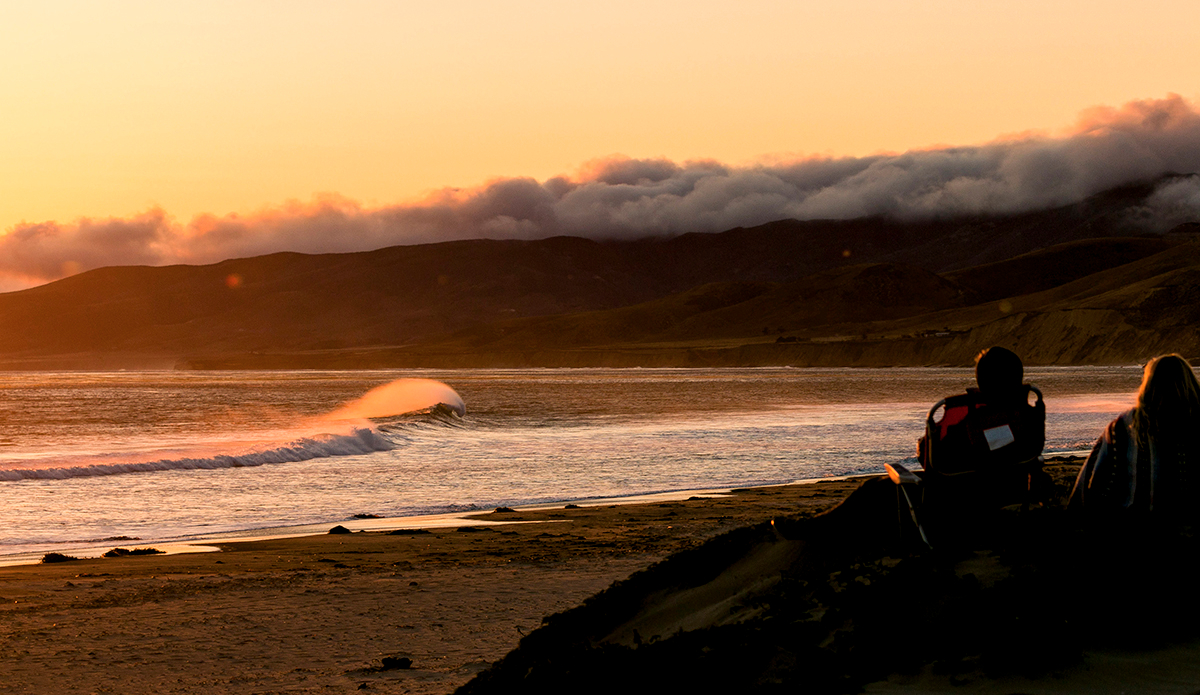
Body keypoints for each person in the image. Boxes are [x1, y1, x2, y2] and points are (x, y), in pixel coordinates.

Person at [776, 346, 1046, 549]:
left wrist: (926, 449)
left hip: (956, 498)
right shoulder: (1027, 412)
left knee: (873, 490)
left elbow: (936, 463)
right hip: (1007, 490)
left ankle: (813, 530)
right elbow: (1025, 452)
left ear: (981, 381)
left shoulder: (973, 418)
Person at [1068, 354, 1200, 524]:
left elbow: (1094, 479)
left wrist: (1079, 516)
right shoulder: (1194, 421)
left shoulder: (1124, 426)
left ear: (1149, 385)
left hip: (1133, 526)